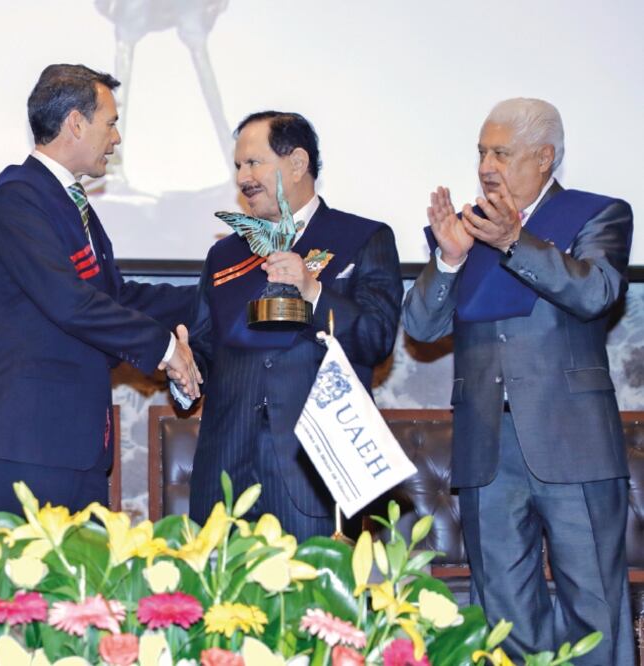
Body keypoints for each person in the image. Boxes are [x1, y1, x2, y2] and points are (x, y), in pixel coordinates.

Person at [402, 98, 633, 663]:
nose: (486, 166)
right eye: (482, 152)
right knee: (503, 611)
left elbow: (597, 293)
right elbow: (421, 327)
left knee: (594, 605)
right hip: (487, 444)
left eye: (501, 153)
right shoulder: (466, 230)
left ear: (544, 156)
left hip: (572, 439)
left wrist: (513, 242)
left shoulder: (597, 214)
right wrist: (450, 260)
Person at [0, 64, 200, 515]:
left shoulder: (67, 200)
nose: (116, 138)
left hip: (73, 442)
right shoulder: (18, 195)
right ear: (75, 122)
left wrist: (213, 296)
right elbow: (69, 301)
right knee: (27, 565)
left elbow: (116, 298)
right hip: (31, 440)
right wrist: (165, 348)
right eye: (110, 123)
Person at [187, 111, 402, 540]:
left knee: (316, 587)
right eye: (238, 166)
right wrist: (183, 368)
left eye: (254, 163)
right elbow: (206, 349)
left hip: (315, 468)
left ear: (298, 163)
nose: (243, 178)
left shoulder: (362, 238)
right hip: (225, 472)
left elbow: (375, 339)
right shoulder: (225, 255)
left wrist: (313, 291)